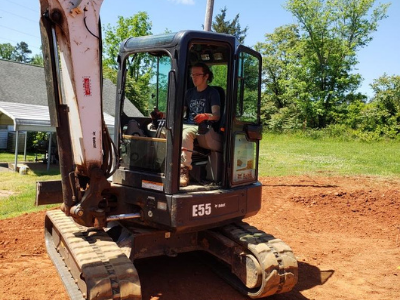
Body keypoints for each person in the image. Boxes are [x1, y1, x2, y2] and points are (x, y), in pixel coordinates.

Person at [180, 62, 221, 187]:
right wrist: (163, 115)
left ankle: (184, 170)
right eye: (192, 75)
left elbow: (217, 114)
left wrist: (205, 116)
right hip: (187, 123)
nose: (194, 77)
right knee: (165, 130)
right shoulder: (189, 93)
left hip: (202, 127)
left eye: (197, 74)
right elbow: (179, 112)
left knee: (185, 134)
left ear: (206, 76)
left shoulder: (213, 93)